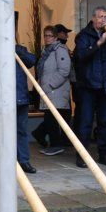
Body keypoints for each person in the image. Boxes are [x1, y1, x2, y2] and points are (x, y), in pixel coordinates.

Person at [74, 6, 106, 168]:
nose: (103, 20)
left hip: (105, 86)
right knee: (86, 122)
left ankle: (104, 155)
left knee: (104, 123)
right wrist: (99, 42)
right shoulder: (83, 36)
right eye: (101, 17)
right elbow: (81, 55)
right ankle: (82, 156)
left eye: (105, 17)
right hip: (88, 86)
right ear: (93, 18)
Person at [0, 36, 38, 173]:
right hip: (2, 99)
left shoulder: (20, 50)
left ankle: (23, 161)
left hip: (20, 98)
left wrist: (16, 50)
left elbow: (32, 60)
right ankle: (4, 161)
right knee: (3, 132)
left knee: (21, 130)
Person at [32, 25, 72, 156]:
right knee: (51, 118)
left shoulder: (60, 50)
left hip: (56, 90)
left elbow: (64, 70)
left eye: (49, 35)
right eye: (45, 35)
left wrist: (50, 85)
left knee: (51, 118)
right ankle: (49, 141)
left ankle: (55, 145)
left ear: (55, 37)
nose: (47, 38)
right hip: (48, 90)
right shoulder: (47, 51)